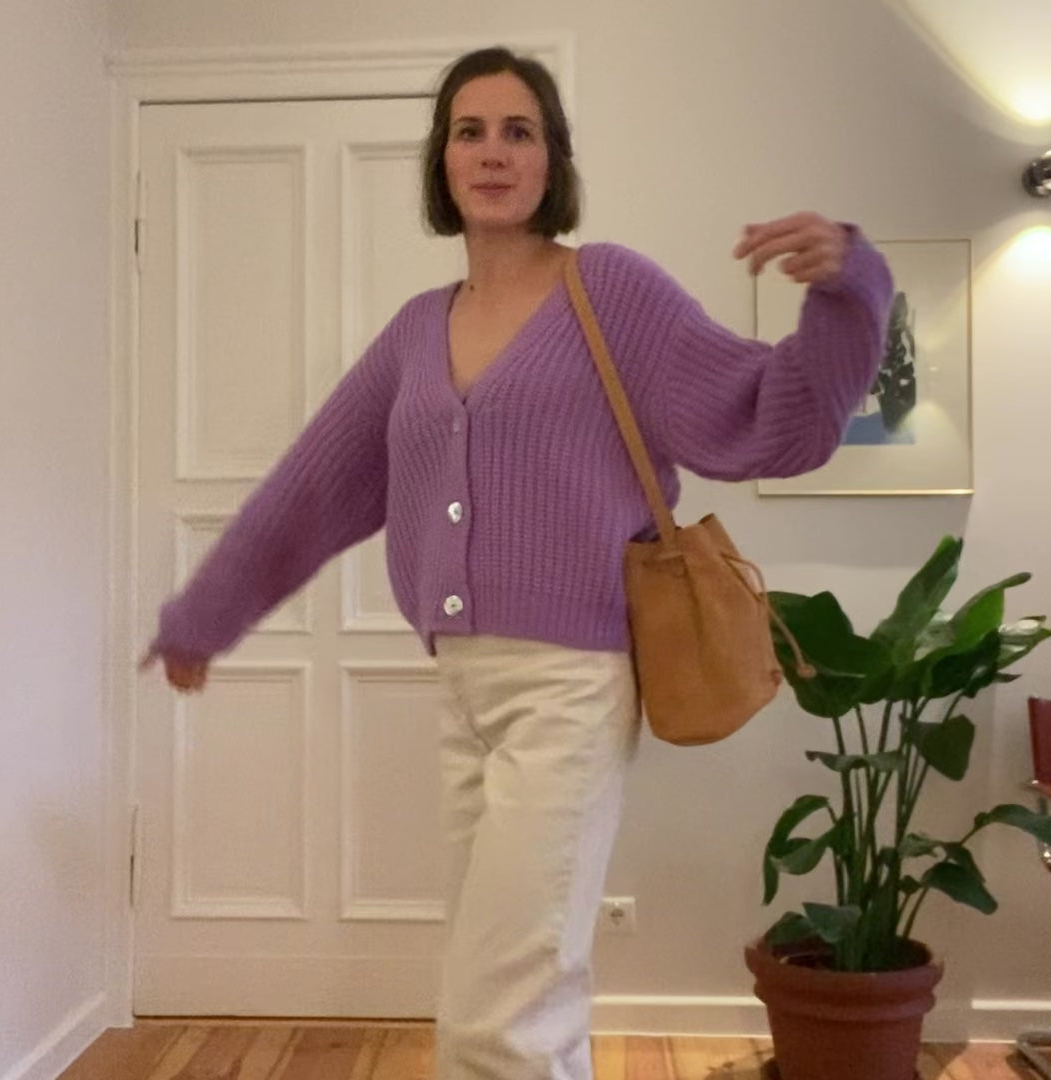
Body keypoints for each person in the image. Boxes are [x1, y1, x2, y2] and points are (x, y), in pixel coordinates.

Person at [143, 45, 893, 1080]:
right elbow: (313, 484)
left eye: (519, 131)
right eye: (470, 131)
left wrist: (851, 288)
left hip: (569, 686)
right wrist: (206, 612)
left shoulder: (610, 290)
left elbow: (770, 418)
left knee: (499, 1011)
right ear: (442, 161)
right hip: (460, 688)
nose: (493, 152)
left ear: (552, 160)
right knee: (513, 988)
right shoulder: (418, 330)